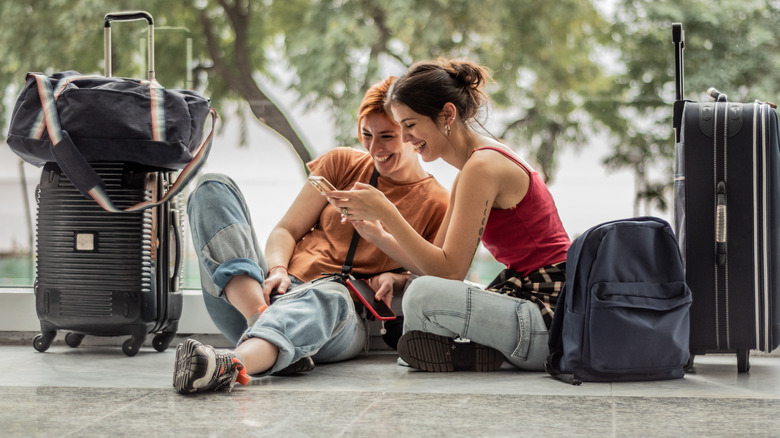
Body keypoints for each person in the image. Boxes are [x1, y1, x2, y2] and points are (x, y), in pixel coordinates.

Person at [173, 77, 449, 394]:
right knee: (212, 187)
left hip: (336, 318)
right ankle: (260, 321)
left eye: (387, 137)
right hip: (261, 297)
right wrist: (276, 270)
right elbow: (286, 231)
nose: (374, 149)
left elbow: (434, 277)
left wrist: (396, 278)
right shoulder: (341, 164)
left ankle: (229, 364)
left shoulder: (437, 203)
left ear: (414, 136)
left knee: (330, 294)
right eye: (367, 135)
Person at [327, 59, 570, 372]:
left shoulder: (482, 168)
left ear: (447, 115)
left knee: (421, 295)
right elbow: (432, 266)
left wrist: (388, 212)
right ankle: (460, 352)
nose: (405, 138)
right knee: (416, 288)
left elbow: (449, 273)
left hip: (550, 320)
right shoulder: (472, 168)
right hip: (533, 310)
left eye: (410, 125)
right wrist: (378, 234)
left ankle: (450, 351)